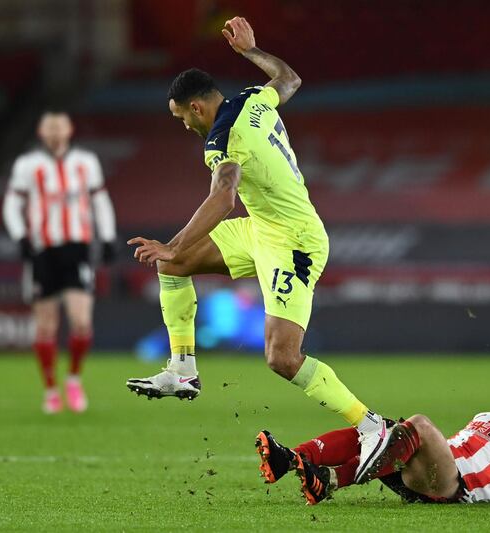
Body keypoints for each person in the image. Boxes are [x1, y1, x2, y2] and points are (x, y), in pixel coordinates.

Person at [124, 16, 390, 481]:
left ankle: (372, 427)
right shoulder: (253, 97)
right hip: (261, 228)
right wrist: (251, 51)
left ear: (195, 107)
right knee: (175, 267)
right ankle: (183, 367)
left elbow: (223, 197)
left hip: (294, 241)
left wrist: (173, 243)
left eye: (181, 117)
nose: (184, 125)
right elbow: (289, 78)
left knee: (282, 358)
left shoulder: (221, 139)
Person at [256, 361, 490, 506]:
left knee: (416, 423)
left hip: (456, 487)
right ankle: (288, 458)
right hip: (424, 474)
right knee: (377, 428)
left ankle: (333, 480)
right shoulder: (487, 414)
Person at [3, 111, 117, 414]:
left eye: (59, 127)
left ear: (69, 130)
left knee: (81, 321)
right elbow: (12, 204)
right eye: (49, 128)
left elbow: (100, 201)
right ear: (41, 131)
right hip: (43, 251)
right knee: (46, 325)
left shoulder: (86, 162)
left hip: (77, 248)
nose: (54, 133)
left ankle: (74, 380)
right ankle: (51, 389)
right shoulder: (28, 165)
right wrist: (20, 237)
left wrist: (106, 237)